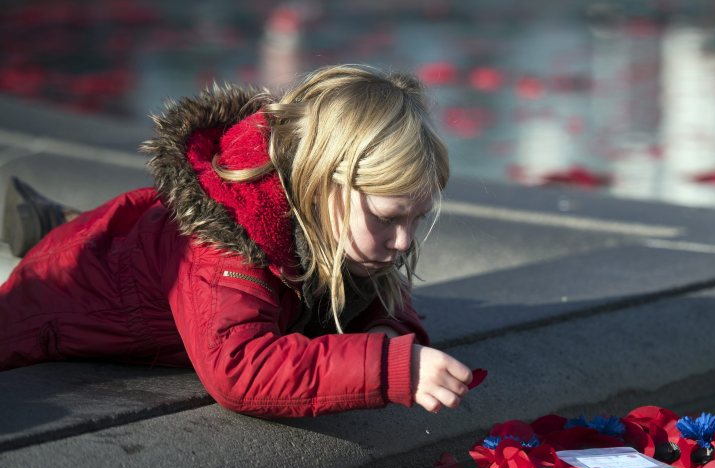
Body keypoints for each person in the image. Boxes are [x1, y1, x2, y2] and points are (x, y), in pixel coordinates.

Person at [0, 64, 475, 417]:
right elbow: (241, 367)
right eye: (388, 218)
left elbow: (376, 292)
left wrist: (385, 330)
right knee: (88, 258)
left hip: (144, 247)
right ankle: (56, 228)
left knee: (138, 236)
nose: (403, 241)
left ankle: (55, 219)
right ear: (318, 186)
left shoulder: (337, 226)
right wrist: (393, 367)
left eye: (417, 219)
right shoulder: (226, 248)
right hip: (62, 292)